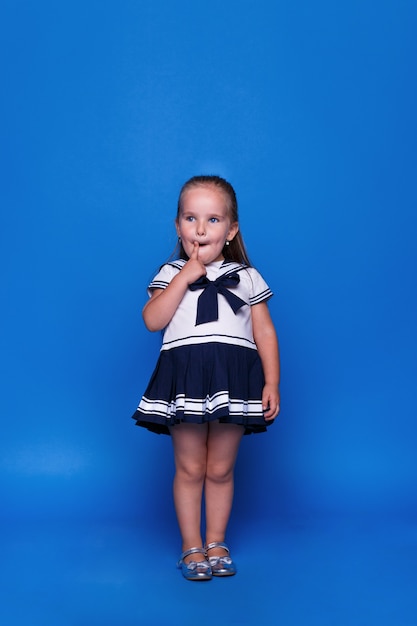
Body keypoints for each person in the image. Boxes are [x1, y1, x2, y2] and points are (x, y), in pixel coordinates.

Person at [132, 175, 280, 581]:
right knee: (191, 466)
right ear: (178, 226)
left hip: (234, 380)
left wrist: (271, 382)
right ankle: (190, 546)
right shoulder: (171, 271)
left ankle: (217, 541)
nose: (200, 229)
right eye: (190, 218)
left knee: (220, 468)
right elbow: (152, 321)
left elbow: (264, 332)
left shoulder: (246, 276)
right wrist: (186, 275)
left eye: (213, 220)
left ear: (231, 230)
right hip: (187, 378)